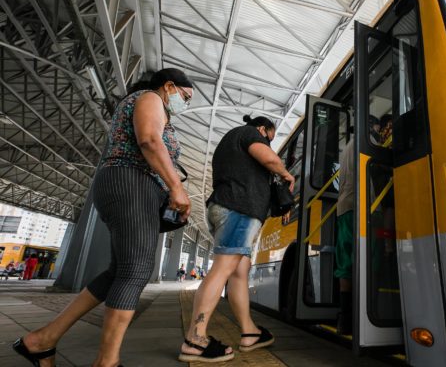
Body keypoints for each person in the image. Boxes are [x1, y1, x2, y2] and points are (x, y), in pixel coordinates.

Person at [14, 68, 193, 367]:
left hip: (127, 184)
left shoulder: (147, 103)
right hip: (132, 181)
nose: (184, 103)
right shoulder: (150, 98)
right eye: (185, 96)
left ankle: (41, 341)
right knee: (136, 270)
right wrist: (176, 186)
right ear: (169, 86)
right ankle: (107, 363)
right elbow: (149, 140)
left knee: (119, 271)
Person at [178, 115, 295, 363]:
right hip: (240, 209)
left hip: (224, 207)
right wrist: (286, 175)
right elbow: (269, 159)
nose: (269, 144)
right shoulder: (249, 133)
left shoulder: (230, 143)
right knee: (223, 269)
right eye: (269, 138)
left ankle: (249, 332)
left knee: (239, 271)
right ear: (262, 129)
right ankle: (195, 339)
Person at [334, 130, 355, 335]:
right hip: (359, 207)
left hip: (343, 208)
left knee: (345, 264)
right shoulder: (369, 141)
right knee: (369, 259)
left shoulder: (346, 148)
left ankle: (344, 318)